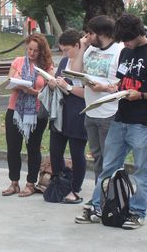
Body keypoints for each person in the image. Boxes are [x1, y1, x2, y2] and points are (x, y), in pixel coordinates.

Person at [76, 14, 147, 229]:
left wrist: (142, 95)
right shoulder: (126, 51)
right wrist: (114, 89)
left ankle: (137, 212)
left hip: (142, 121)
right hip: (120, 119)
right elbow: (120, 81)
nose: (126, 44)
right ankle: (97, 206)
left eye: (128, 40)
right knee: (108, 166)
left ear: (140, 33)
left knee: (141, 170)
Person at [74, 15, 122, 205]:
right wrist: (81, 48)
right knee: (97, 157)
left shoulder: (119, 50)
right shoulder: (90, 49)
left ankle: (109, 198)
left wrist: (103, 87)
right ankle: (99, 196)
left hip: (109, 112)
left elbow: (123, 81)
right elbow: (77, 74)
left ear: (102, 33)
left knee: (108, 159)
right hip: (90, 110)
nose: (88, 36)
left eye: (91, 33)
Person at [2, 33, 53, 198]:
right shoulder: (18, 61)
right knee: (13, 148)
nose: (31, 53)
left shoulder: (47, 66)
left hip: (37, 112)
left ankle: (30, 183)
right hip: (15, 110)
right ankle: (14, 182)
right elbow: (9, 81)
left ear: (41, 52)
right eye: (29, 49)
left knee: (33, 148)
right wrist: (15, 84)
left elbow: (49, 91)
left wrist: (33, 92)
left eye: (35, 51)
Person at [47, 29, 87, 204]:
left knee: (77, 153)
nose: (64, 54)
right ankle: (59, 182)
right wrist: (53, 83)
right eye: (62, 50)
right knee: (55, 151)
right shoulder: (64, 61)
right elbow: (58, 82)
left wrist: (69, 88)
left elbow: (89, 93)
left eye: (67, 49)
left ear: (78, 46)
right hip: (60, 112)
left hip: (78, 112)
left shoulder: (86, 63)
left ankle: (75, 188)